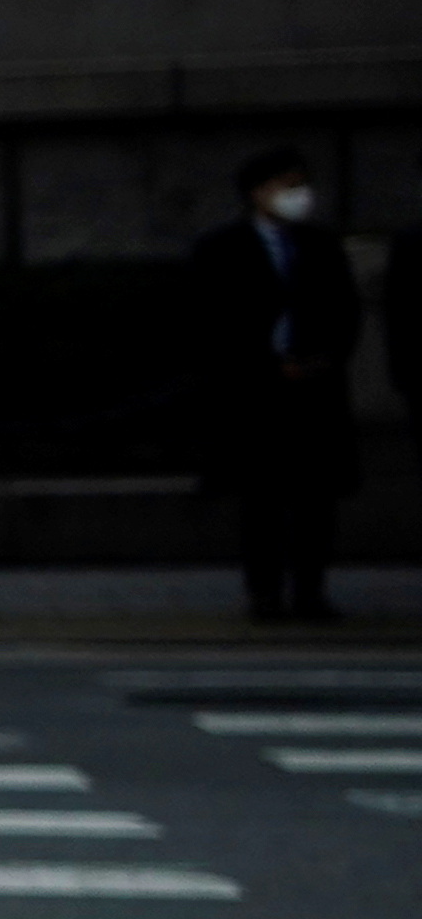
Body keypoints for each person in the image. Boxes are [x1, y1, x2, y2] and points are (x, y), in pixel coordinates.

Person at [188, 150, 367, 621]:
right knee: (261, 500)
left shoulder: (320, 245)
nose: (298, 197)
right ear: (257, 191)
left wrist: (322, 359)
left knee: (315, 500)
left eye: (301, 185)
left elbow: (346, 312)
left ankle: (310, 590)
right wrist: (268, 366)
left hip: (316, 389)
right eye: (287, 186)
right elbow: (212, 324)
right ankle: (263, 592)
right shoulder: (221, 250)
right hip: (255, 394)